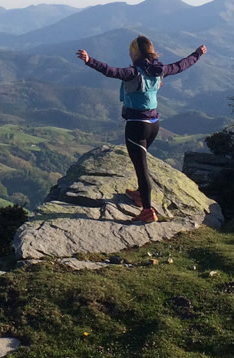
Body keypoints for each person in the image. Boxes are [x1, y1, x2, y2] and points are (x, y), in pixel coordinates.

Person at [76, 36, 206, 223]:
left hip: (137, 125)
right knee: (141, 163)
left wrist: (89, 61)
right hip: (154, 124)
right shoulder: (159, 70)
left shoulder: (133, 72)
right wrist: (197, 54)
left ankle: (147, 209)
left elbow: (111, 71)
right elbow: (181, 65)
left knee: (141, 168)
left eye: (131, 53)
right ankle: (139, 194)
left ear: (135, 53)